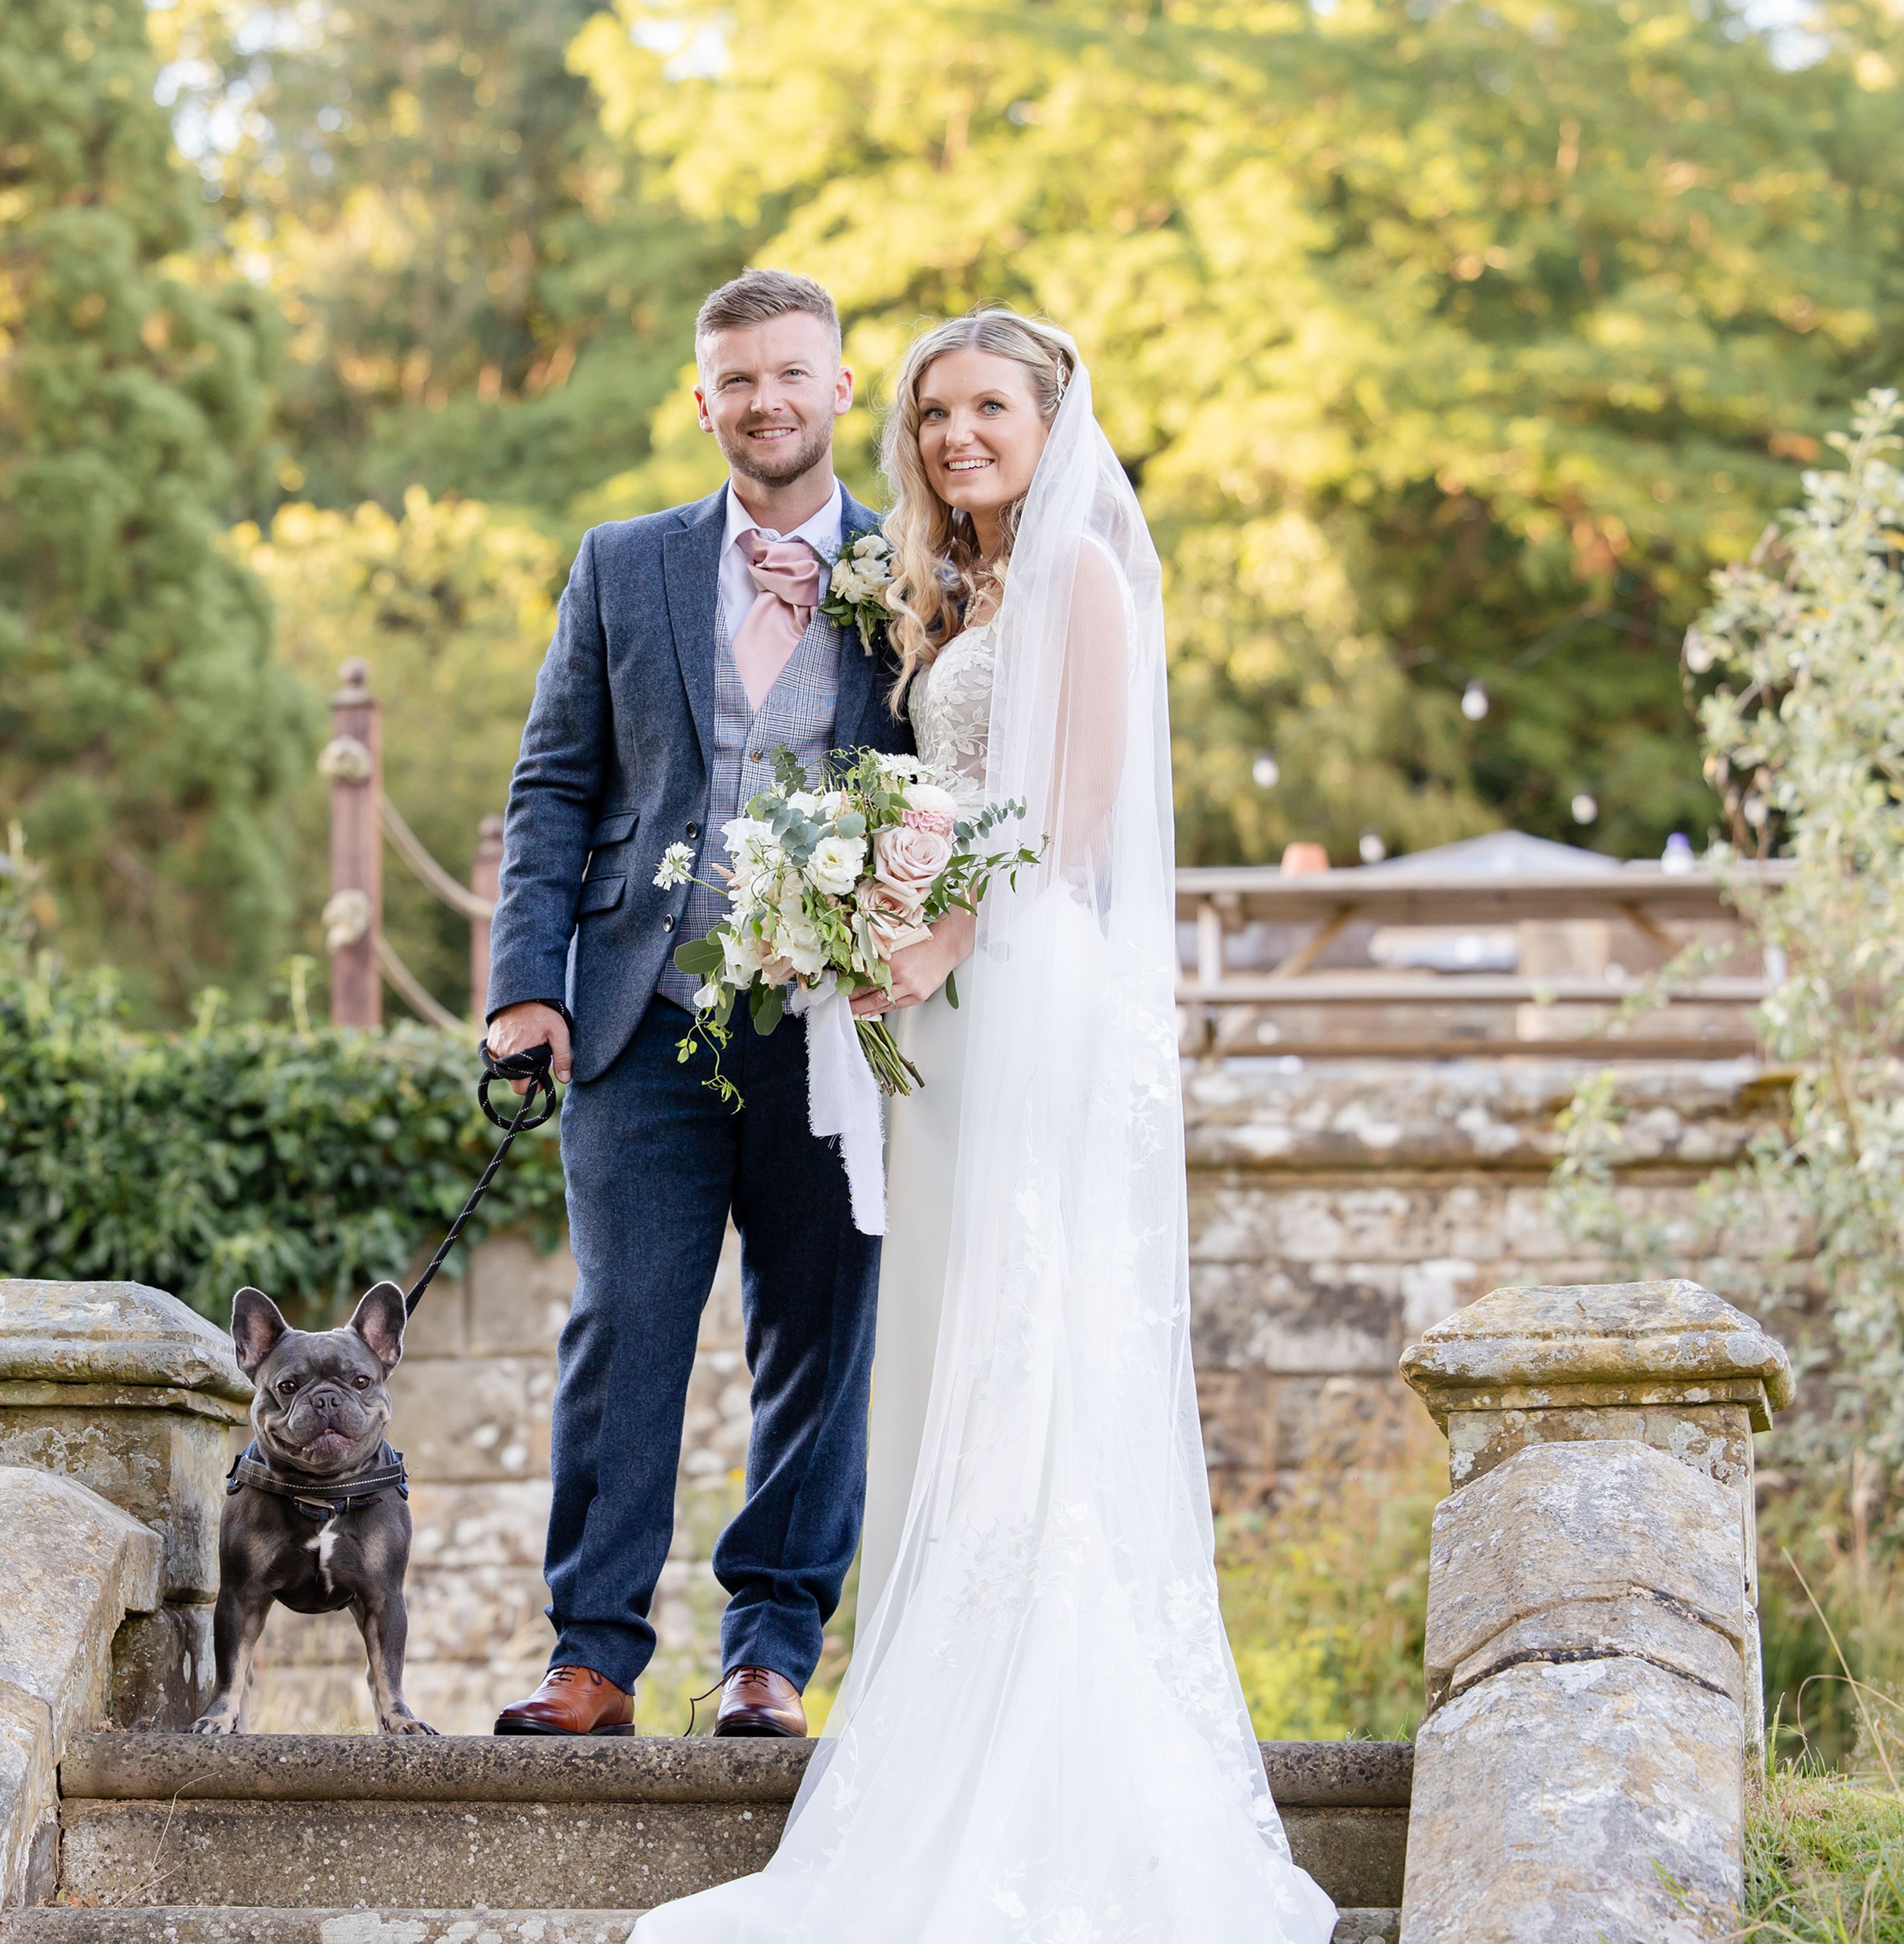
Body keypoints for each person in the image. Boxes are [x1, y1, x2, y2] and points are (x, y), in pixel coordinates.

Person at [631, 312, 1336, 1940]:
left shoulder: (1083, 575)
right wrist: (864, 912)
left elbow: (1073, 818)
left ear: (1051, 418)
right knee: (951, 1359)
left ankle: (1048, 1760)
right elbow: (928, 784)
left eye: (989, 408)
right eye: (937, 411)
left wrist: (930, 930)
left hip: (1026, 999)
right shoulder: (955, 592)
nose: (956, 435)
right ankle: (942, 1702)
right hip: (939, 1013)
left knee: (1036, 1355)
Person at [480, 270, 917, 1740]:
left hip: (831, 1029)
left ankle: (768, 1651)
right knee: (624, 1330)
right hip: (637, 1016)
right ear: (701, 398)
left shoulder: (914, 567)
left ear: (843, 387)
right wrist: (524, 987)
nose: (766, 401)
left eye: (793, 373)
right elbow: (553, 782)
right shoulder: (624, 562)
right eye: (737, 378)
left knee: (818, 1336)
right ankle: (593, 1651)